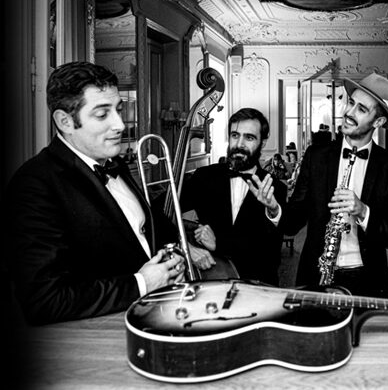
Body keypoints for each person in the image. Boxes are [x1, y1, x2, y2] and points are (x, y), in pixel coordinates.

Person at [6, 61, 185, 325]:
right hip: (96, 336)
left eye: (118, 110)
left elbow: (141, 234)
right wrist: (142, 283)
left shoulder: (114, 163)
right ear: (65, 121)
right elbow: (45, 301)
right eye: (102, 114)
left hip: (153, 319)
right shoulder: (34, 184)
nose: (120, 125)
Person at [280, 73, 388, 297]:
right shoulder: (316, 156)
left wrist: (363, 211)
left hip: (366, 280)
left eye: (361, 109)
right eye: (351, 102)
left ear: (378, 122)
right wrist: (274, 209)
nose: (349, 112)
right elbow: (293, 222)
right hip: (315, 275)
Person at [180, 108, 287, 285]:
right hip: (211, 281)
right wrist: (187, 248)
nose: (239, 144)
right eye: (235, 135)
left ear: (263, 142)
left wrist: (273, 210)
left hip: (257, 286)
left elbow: (269, 255)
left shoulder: (275, 188)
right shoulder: (204, 177)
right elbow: (160, 214)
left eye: (249, 138)